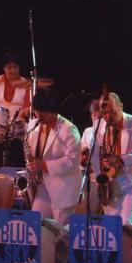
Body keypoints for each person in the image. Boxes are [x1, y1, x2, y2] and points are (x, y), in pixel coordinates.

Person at [90, 92, 132, 226]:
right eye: (104, 113)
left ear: (121, 106)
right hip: (110, 182)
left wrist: (121, 159)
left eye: (112, 112)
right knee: (111, 225)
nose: (108, 117)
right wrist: (100, 178)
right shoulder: (98, 125)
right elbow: (95, 154)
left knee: (127, 223)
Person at [25, 91, 82, 227]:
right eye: (37, 111)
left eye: (44, 112)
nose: (39, 116)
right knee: (35, 225)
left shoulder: (69, 129)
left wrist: (44, 165)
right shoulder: (33, 125)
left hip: (63, 188)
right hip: (42, 186)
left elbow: (72, 160)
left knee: (61, 232)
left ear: (53, 110)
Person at [0, 53, 31, 121]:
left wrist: (25, 113)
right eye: (9, 67)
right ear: (3, 68)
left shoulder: (26, 84)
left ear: (19, 68)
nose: (12, 70)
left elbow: (28, 107)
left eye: (15, 67)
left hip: (18, 124)